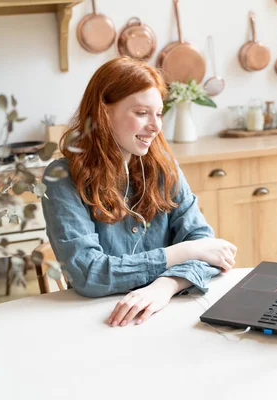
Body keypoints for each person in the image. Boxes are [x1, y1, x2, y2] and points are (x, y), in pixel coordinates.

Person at [41, 57, 237, 328]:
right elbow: (90, 273)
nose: (156, 127)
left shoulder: (163, 168)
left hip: (168, 311)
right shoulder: (62, 178)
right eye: (142, 113)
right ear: (103, 112)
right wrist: (183, 252)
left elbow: (207, 248)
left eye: (158, 114)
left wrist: (165, 286)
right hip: (101, 321)